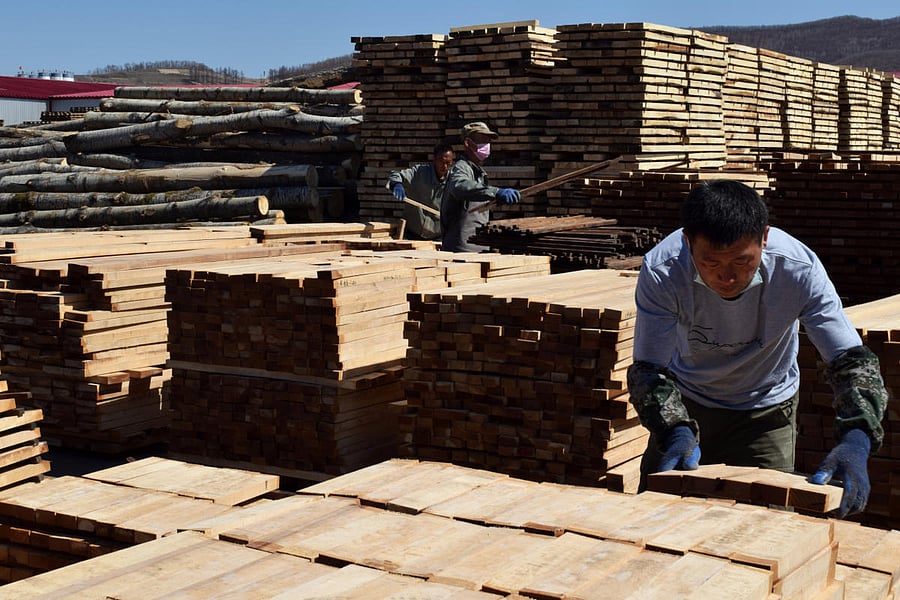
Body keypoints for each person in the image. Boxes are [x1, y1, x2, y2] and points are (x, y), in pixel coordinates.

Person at [626, 179, 887, 518]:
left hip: (766, 410)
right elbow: (649, 369)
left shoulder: (799, 269)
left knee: (762, 522)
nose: (727, 277)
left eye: (741, 261)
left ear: (764, 238)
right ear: (688, 242)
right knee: (657, 516)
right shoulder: (663, 271)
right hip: (688, 402)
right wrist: (673, 430)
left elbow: (850, 360)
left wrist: (857, 437)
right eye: (711, 263)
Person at [440, 121, 521, 252]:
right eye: (482, 141)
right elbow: (460, 186)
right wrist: (496, 192)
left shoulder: (479, 173)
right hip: (461, 250)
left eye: (488, 142)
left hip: (478, 247)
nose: (486, 146)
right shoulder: (461, 169)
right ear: (468, 143)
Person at [386, 142, 455, 240]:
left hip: (437, 238)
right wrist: (396, 184)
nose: (444, 167)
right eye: (441, 162)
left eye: (448, 163)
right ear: (434, 159)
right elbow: (396, 175)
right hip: (411, 234)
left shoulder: (454, 181)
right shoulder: (419, 172)